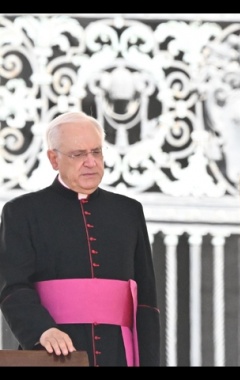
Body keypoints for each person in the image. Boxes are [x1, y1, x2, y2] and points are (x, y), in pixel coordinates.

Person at [0, 111, 161, 367]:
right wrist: (42, 331)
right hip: (53, 350)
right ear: (53, 159)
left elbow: (146, 301)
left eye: (96, 152)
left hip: (118, 352)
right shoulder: (22, 212)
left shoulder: (129, 211)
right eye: (78, 154)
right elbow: (13, 287)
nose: (91, 162)